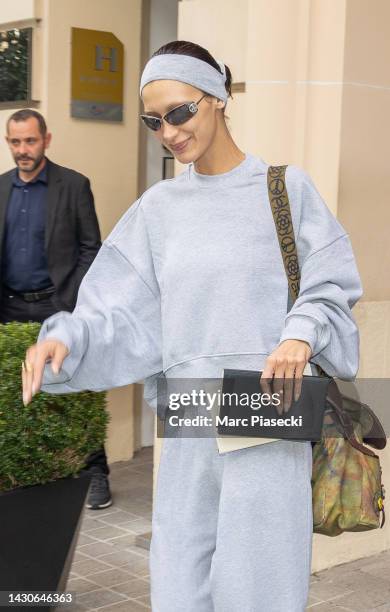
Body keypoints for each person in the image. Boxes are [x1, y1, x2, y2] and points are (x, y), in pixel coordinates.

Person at [21, 41, 363, 611]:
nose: (170, 132)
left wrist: (298, 334)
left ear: (219, 98)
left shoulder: (285, 188)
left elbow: (331, 283)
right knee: (180, 571)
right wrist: (67, 338)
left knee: (260, 581)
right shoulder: (158, 210)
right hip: (188, 410)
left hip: (265, 402)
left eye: (181, 112)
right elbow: (119, 311)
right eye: (155, 121)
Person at [1, 109, 112, 510]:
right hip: (9, 309)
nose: (22, 150)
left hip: (57, 306)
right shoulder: (1, 188)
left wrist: (72, 303)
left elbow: (90, 249)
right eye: (15, 142)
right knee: (18, 394)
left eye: (30, 141)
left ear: (46, 140)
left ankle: (94, 473)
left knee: (73, 390)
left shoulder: (73, 185)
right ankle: (26, 476)